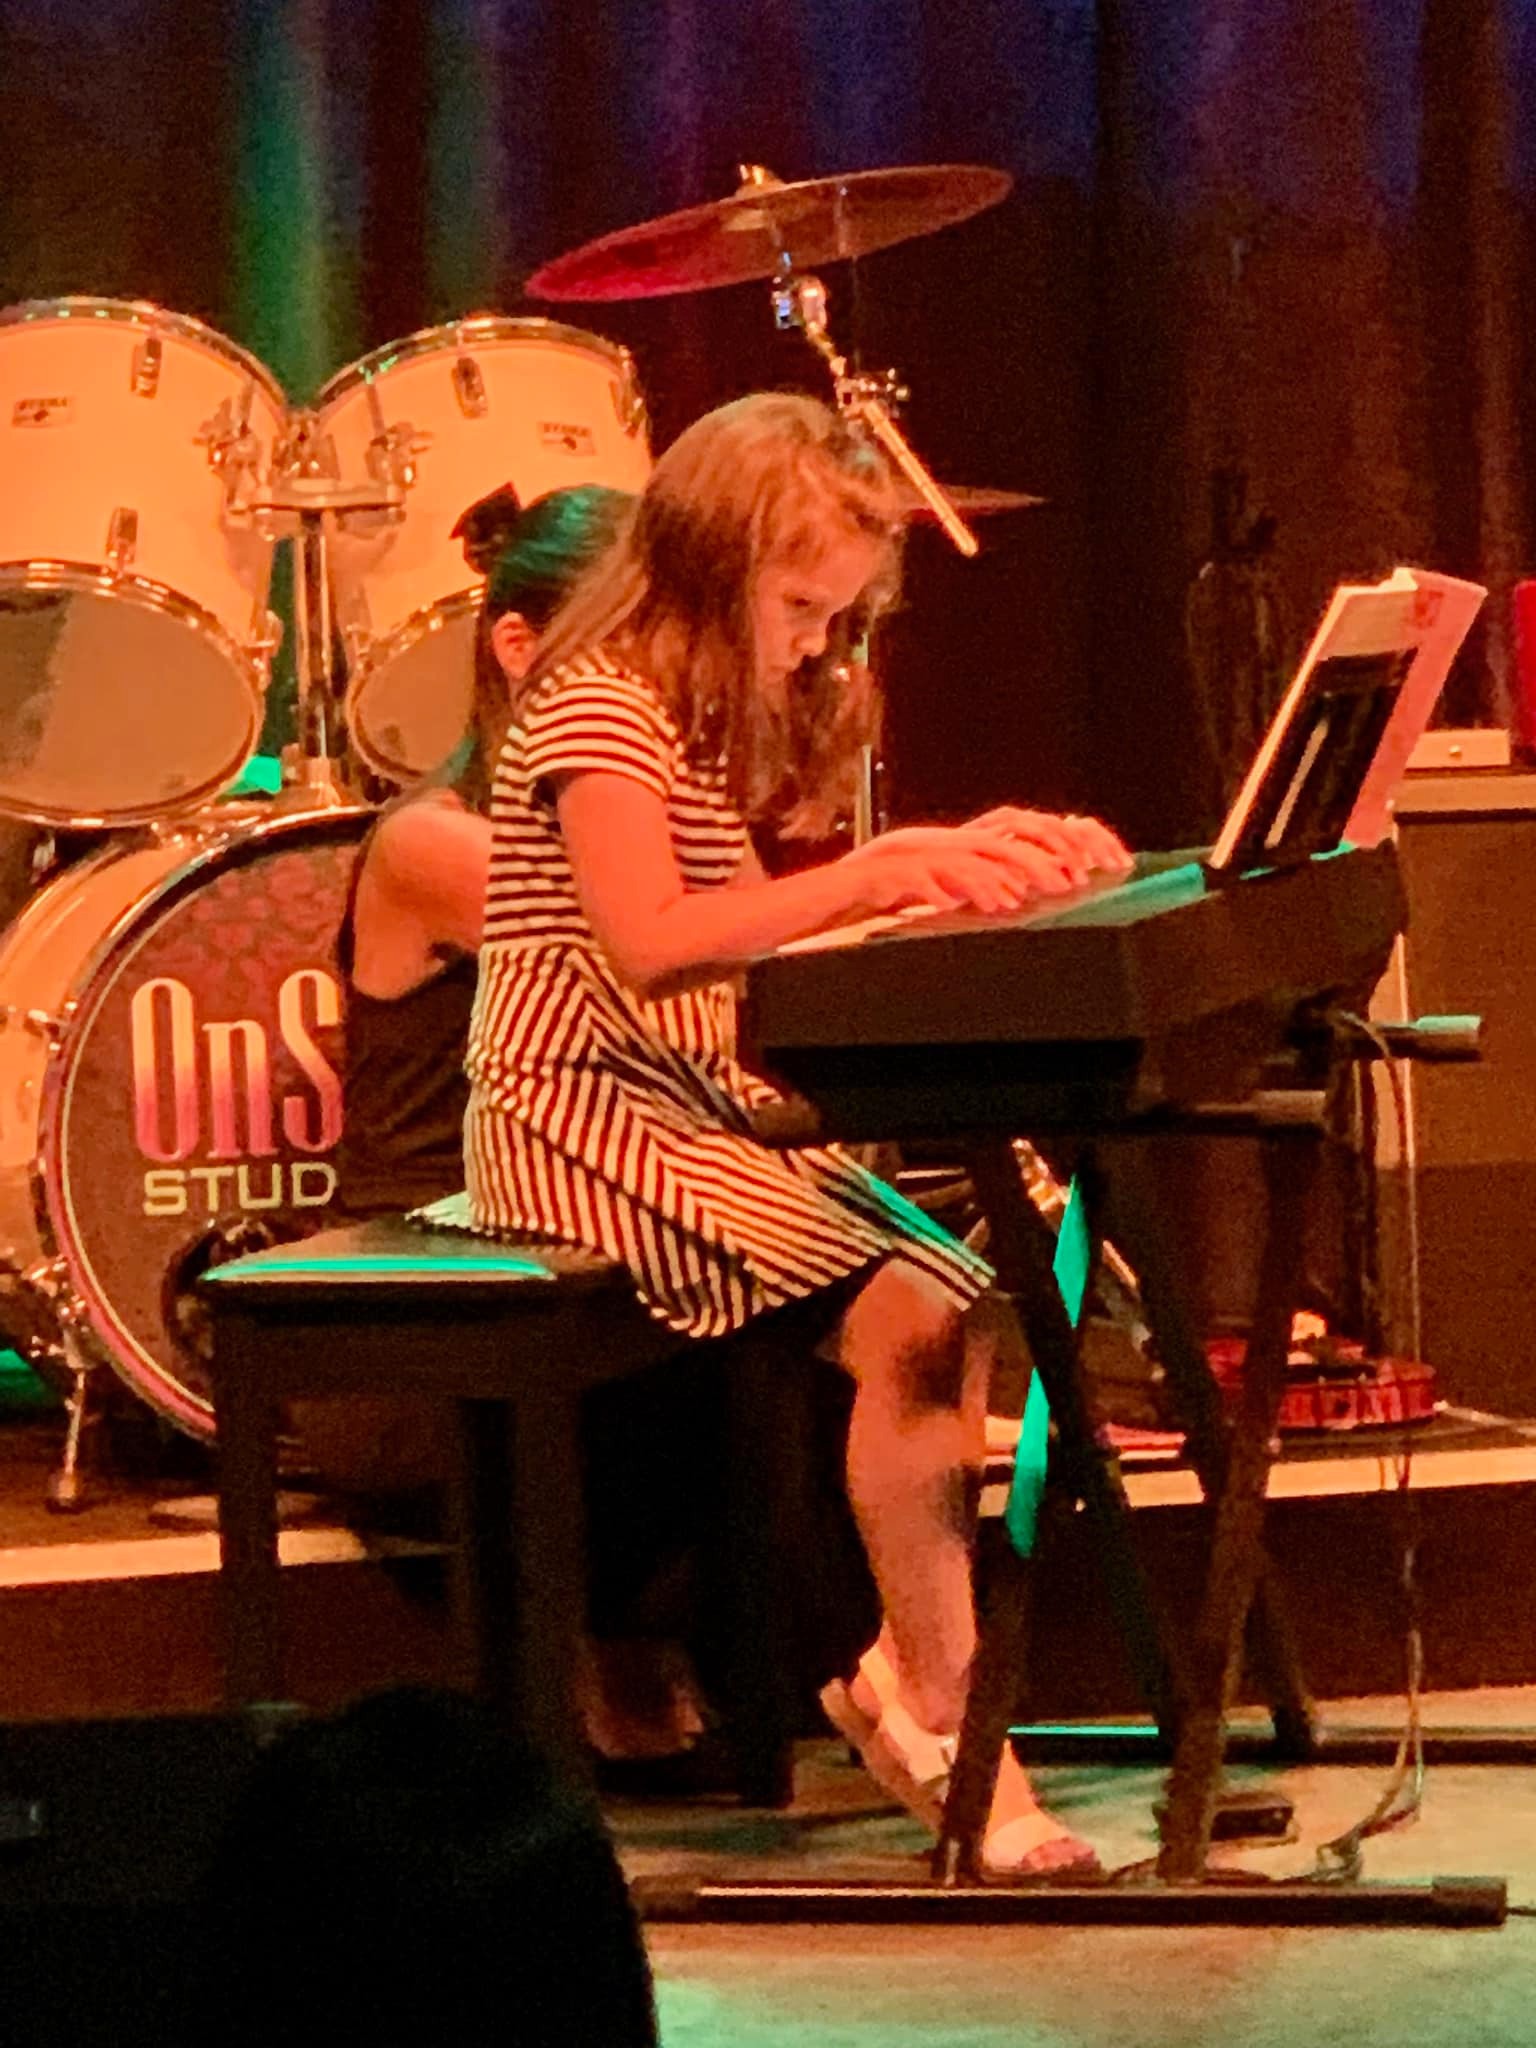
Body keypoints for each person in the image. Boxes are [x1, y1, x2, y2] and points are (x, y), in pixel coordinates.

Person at [463, 390, 1132, 1877]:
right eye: (800, 608)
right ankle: (942, 1699)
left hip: (688, 1097)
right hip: (581, 1119)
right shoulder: (596, 708)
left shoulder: (682, 713)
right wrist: (883, 871)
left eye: (836, 614)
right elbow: (652, 942)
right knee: (912, 1307)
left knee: (952, 1289)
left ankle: (923, 1676)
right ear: (711, 570)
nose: (818, 644)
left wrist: (972, 875)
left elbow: (752, 945)